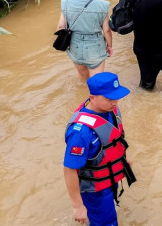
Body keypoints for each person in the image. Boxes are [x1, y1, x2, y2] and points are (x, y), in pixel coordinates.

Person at [63, 72, 136, 226]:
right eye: (109, 99)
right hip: (95, 190)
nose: (115, 102)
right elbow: (69, 169)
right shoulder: (81, 132)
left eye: (116, 97)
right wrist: (77, 206)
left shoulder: (111, 110)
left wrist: (124, 157)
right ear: (93, 97)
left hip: (109, 177)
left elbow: (116, 136)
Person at [57, 0, 112, 81]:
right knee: (97, 82)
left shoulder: (66, 2)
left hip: (75, 47)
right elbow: (106, 30)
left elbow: (60, 27)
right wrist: (109, 46)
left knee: (83, 77)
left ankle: (82, 95)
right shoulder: (102, 5)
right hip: (95, 49)